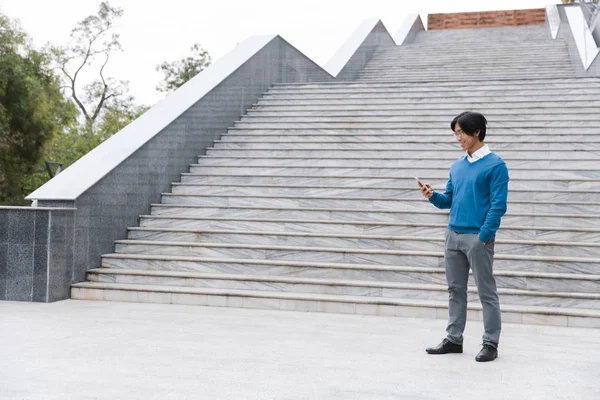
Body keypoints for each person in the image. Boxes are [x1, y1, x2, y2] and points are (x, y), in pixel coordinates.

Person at [418, 111, 509, 362]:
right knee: (454, 290)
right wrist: (432, 196)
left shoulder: (496, 165)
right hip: (453, 235)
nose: (458, 138)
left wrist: (484, 236)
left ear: (477, 132)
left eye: (461, 132)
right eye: (455, 133)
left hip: (477, 238)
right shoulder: (457, 166)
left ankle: (490, 343)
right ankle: (453, 339)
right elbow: (449, 199)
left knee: (486, 292)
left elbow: (498, 205)